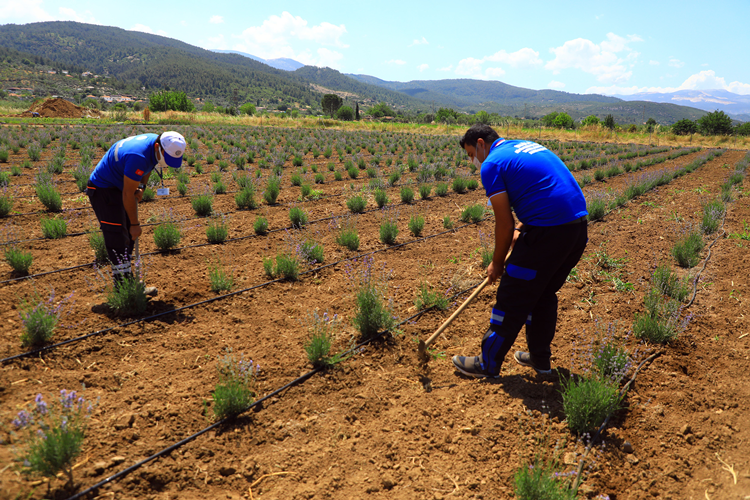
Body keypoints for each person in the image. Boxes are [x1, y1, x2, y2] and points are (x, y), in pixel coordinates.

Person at [452, 124, 588, 378]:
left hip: (548, 234)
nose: (473, 160)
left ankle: (487, 363)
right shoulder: (527, 147)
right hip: (576, 230)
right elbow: (548, 191)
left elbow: (504, 223)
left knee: (512, 295)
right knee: (543, 294)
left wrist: (497, 263)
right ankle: (540, 361)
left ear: (481, 143)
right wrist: (525, 226)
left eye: (471, 153)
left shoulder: (491, 163)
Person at [86, 131, 185, 294]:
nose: (167, 163)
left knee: (127, 239)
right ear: (158, 147)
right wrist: (134, 224)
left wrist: (141, 187)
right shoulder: (138, 156)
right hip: (104, 189)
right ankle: (124, 290)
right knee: (118, 236)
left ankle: (128, 284)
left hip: (119, 186)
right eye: (167, 158)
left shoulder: (155, 145)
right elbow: (127, 194)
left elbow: (148, 166)